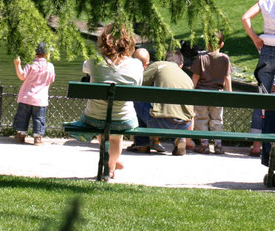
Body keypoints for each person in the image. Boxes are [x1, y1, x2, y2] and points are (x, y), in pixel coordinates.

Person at [77, 23, 143, 178]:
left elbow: (84, 68)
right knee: (115, 134)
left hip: (94, 118)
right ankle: (111, 165)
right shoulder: (136, 64)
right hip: (123, 118)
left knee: (102, 123)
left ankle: (111, 161)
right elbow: (138, 85)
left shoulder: (94, 61)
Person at [129, 49, 195, 156]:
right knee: (173, 112)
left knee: (136, 97)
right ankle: (179, 139)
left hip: (160, 122)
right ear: (181, 65)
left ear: (165, 60)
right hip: (184, 125)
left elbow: (138, 83)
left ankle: (142, 143)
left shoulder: (160, 65)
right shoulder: (187, 78)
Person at [190, 31, 232, 154]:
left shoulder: (201, 58)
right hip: (218, 95)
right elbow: (227, 78)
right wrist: (229, 94)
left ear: (207, 44)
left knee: (201, 118)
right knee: (217, 120)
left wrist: (190, 93)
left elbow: (195, 78)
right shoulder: (225, 59)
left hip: (201, 95)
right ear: (222, 44)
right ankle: (218, 145)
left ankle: (204, 144)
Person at [12, 42, 56, 145]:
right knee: (39, 118)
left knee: (23, 117)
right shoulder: (50, 66)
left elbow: (22, 76)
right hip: (41, 99)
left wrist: (17, 65)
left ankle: (21, 136)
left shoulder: (30, 64)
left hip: (26, 97)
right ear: (47, 54)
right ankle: (38, 138)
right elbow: (51, 80)